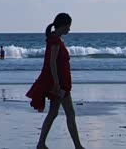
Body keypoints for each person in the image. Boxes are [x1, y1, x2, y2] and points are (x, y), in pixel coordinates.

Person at [26, 13, 86, 149]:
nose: (69, 29)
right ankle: (78, 146)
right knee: (70, 113)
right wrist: (57, 83)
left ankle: (41, 144)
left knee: (53, 113)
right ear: (63, 25)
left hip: (59, 82)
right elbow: (52, 63)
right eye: (68, 26)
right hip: (60, 84)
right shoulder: (55, 41)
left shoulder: (54, 39)